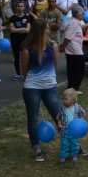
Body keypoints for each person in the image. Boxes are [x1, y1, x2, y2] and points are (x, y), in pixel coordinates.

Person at [21, 18, 61, 162]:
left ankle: (71, 143)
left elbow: (55, 64)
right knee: (33, 118)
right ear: (39, 31)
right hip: (32, 88)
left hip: (50, 86)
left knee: (59, 116)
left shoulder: (53, 46)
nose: (49, 30)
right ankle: (36, 148)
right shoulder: (27, 49)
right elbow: (24, 71)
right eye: (46, 28)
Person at [57, 88, 88, 163]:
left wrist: (82, 122)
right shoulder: (62, 109)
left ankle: (74, 155)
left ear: (73, 100)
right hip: (65, 130)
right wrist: (59, 124)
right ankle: (63, 156)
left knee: (74, 143)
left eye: (66, 99)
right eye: (63, 99)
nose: (64, 100)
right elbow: (58, 117)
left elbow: (81, 115)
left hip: (75, 131)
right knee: (64, 143)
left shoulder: (77, 107)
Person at [61, 6, 87, 91]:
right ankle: (74, 88)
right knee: (79, 70)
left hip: (74, 50)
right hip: (74, 50)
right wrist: (63, 47)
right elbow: (68, 37)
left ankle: (72, 87)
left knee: (73, 69)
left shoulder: (75, 22)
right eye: (82, 13)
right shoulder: (73, 24)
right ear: (78, 14)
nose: (83, 15)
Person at [8, 1, 31, 80]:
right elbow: (12, 30)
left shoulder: (27, 18)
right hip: (15, 40)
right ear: (16, 7)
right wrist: (22, 29)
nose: (20, 8)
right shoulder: (12, 18)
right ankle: (18, 74)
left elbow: (28, 30)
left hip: (25, 41)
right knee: (16, 58)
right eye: (18, 6)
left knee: (25, 58)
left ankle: (26, 74)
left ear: (24, 7)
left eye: (22, 6)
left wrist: (18, 29)